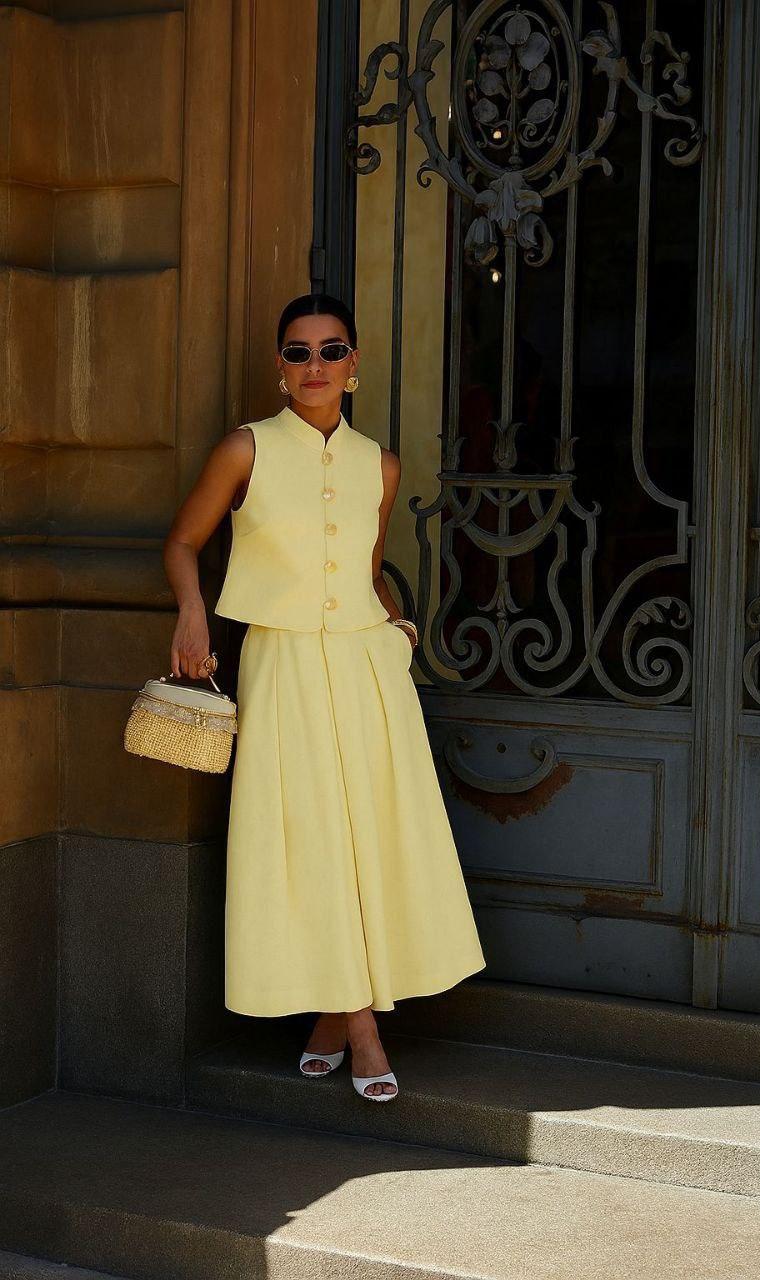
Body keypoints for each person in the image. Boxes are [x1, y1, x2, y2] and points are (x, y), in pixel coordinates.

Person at [163, 292, 486, 1101]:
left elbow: (370, 567)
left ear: (354, 365)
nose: (315, 366)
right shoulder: (245, 449)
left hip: (367, 666)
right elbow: (182, 541)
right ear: (280, 366)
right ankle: (363, 1025)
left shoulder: (378, 461)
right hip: (282, 667)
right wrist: (193, 613)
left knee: (370, 839)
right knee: (307, 838)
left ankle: (338, 1019)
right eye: (299, 352)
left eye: (330, 350)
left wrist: (398, 629)